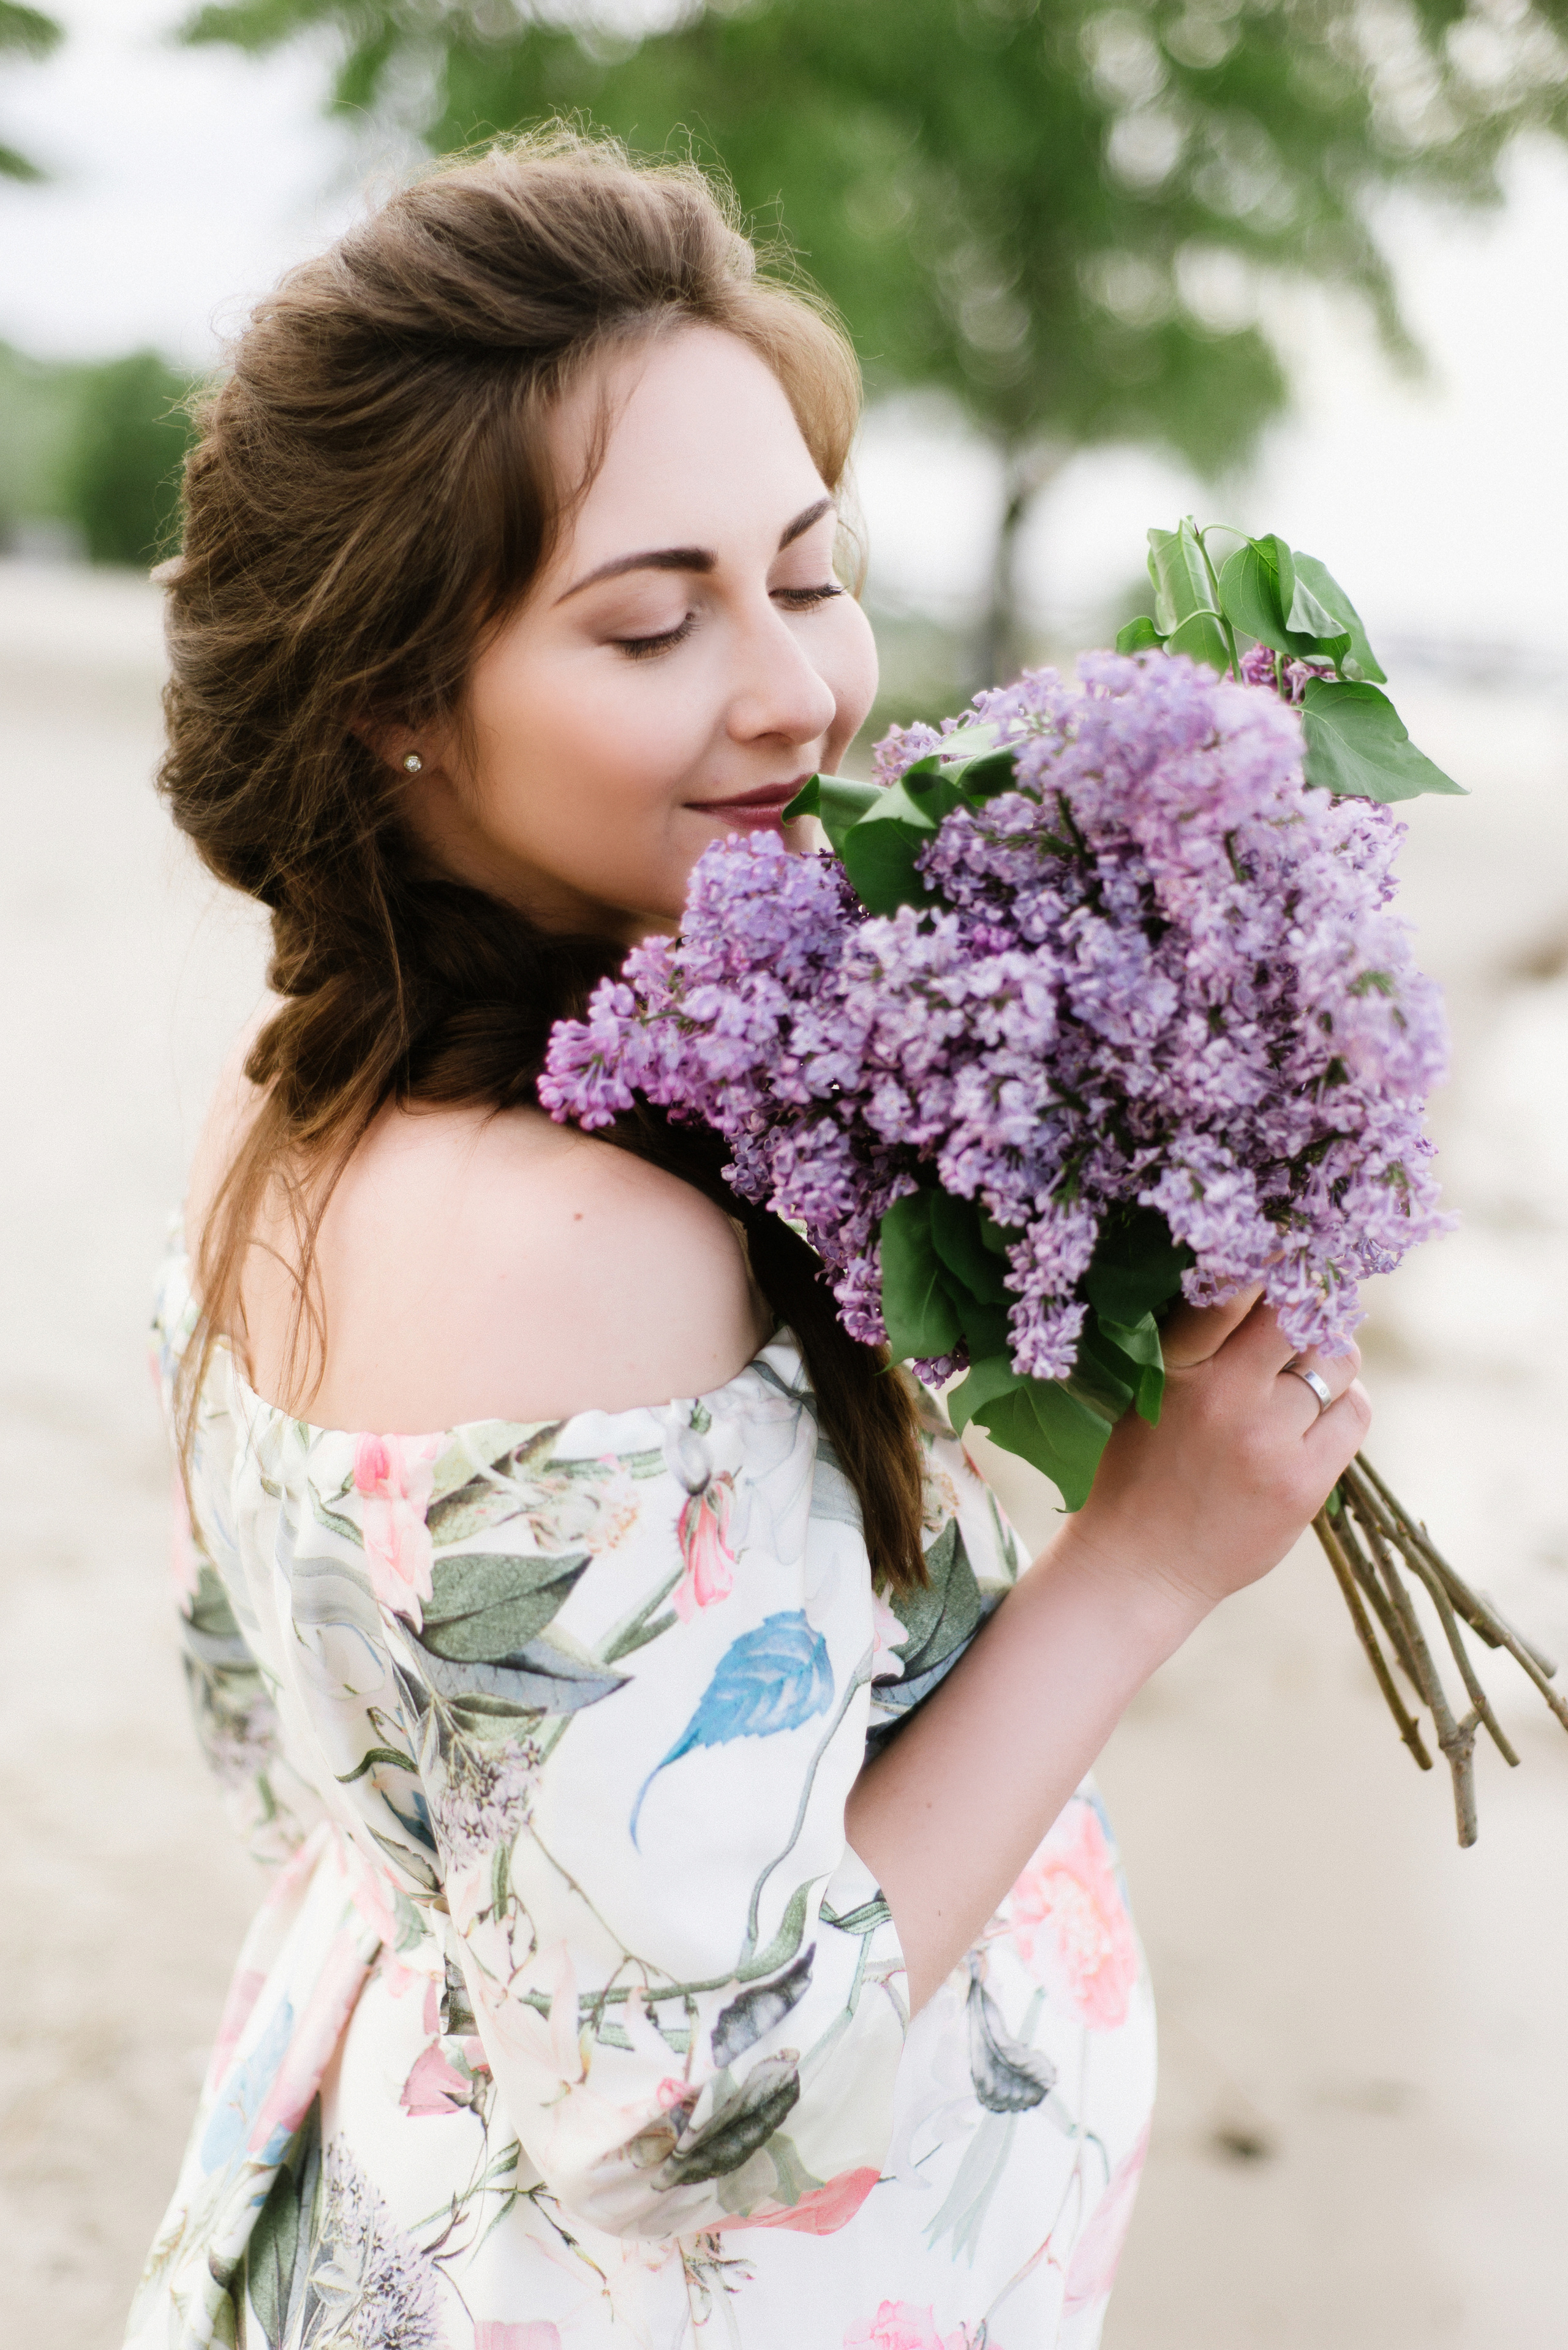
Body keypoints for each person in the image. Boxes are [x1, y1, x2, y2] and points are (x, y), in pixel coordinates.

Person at [132, 131, 1370, 2350]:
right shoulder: (573, 1242)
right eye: (651, 617)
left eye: (808, 573)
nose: (798, 687)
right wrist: (1151, 1555)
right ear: (395, 697)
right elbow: (697, 2104)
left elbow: (293, 1735)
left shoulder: (311, 1095)